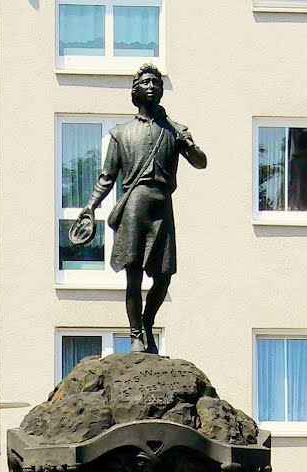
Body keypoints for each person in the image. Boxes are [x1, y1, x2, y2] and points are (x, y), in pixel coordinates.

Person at [70, 64, 207, 354]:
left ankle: (147, 323)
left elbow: (201, 162)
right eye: (145, 82)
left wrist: (190, 145)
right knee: (133, 275)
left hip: (162, 205)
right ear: (135, 90)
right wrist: (90, 207)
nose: (152, 87)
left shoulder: (175, 130)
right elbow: (106, 178)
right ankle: (136, 334)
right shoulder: (122, 134)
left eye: (156, 83)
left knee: (164, 276)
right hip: (134, 206)